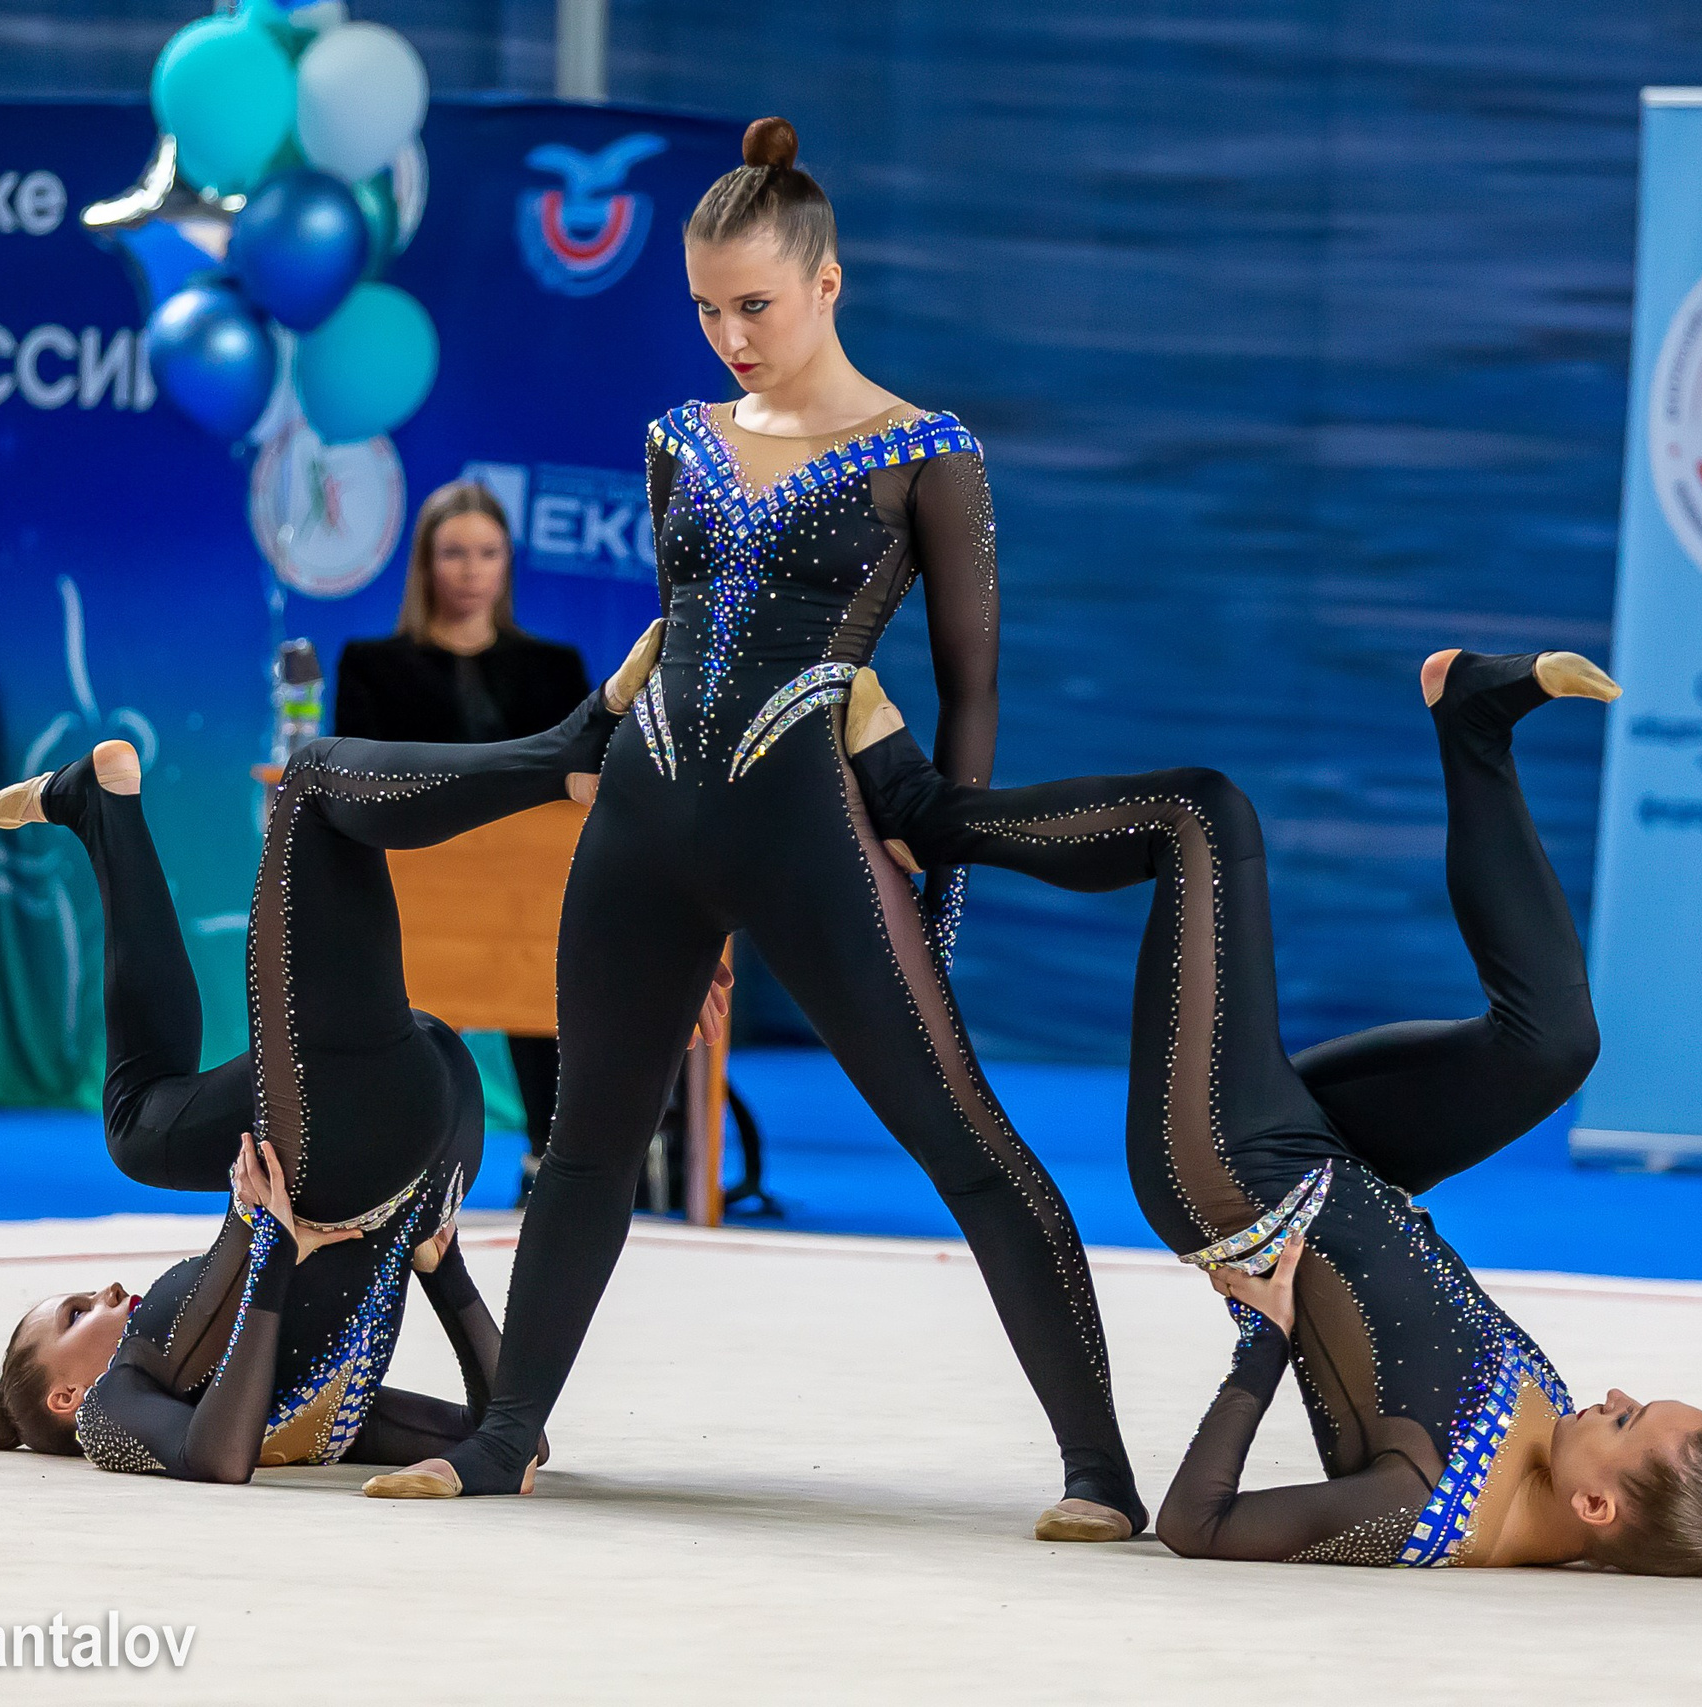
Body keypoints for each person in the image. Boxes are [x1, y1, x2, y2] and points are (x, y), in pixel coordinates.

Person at [361, 117, 1149, 1542]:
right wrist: (588, 762)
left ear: (829, 283)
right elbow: (675, 632)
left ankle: (1100, 1465)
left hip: (813, 831)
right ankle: (503, 1434)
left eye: (756, 307)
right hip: (649, 832)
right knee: (589, 1140)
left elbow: (971, 693)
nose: (729, 334)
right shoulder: (677, 440)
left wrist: (944, 882)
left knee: (967, 1141)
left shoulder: (929, 454)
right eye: (706, 310)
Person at [839, 649, 1702, 1575]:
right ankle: (1470, 720)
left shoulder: (1421, 1505)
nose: (1615, 1395)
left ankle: (923, 810)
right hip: (1344, 1165)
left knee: (1199, 816)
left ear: (1596, 1507)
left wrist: (1267, 1334)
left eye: (1627, 1418)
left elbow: (1197, 1524)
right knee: (1553, 1045)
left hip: (1232, 1166)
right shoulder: (1555, 1447)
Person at [0, 633, 676, 1476]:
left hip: (384, 1122)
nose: (109, 1290)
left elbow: (506, 1434)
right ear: (64, 1398)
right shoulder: (114, 1406)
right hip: (386, 1148)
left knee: (136, 1123)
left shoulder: (280, 1397)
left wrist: (315, 1244)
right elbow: (222, 1462)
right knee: (308, 783)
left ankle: (102, 807)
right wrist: (431, 1263)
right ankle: (569, 748)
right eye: (77, 1311)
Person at [335, 480, 595, 1176]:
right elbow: (358, 780)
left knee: (545, 971)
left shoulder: (556, 668)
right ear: (425, 563)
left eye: (487, 552)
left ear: (507, 562)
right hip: (413, 891)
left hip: (532, 892)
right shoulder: (370, 665)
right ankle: (385, 1169)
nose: (472, 570)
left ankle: (553, 1163)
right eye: (454, 553)